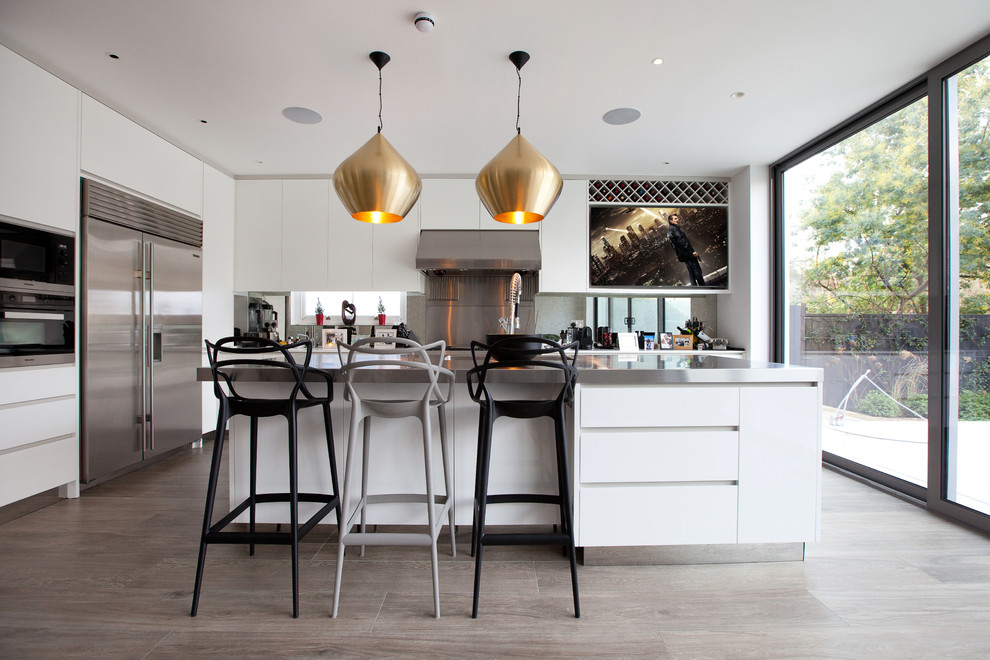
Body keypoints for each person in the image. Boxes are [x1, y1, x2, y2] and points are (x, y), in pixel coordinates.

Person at [666, 213, 705, 286]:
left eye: (677, 218)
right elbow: (683, 242)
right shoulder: (675, 229)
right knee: (697, 272)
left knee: (692, 274)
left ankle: (695, 291)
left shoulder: (669, 232)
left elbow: (676, 246)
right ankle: (703, 289)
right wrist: (692, 253)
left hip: (684, 256)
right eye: (675, 219)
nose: (677, 220)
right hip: (689, 254)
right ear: (670, 221)